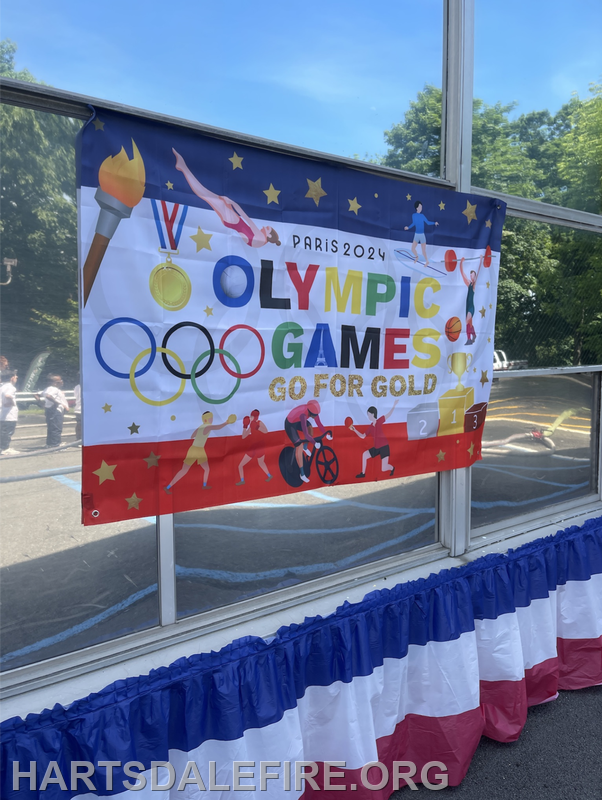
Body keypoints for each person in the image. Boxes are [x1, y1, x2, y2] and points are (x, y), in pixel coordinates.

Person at [173, 149, 281, 248]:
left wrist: (232, 203)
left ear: (269, 235)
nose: (264, 227)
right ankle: (183, 167)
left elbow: (246, 218)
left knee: (204, 193)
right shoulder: (261, 242)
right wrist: (231, 205)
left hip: (234, 220)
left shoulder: (261, 238)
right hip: (232, 220)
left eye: (267, 228)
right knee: (204, 194)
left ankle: (183, 167)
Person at [165, 411, 235, 493]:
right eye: (210, 418)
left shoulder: (200, 427)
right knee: (184, 470)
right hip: (195, 450)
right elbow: (217, 427)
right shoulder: (207, 427)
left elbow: (192, 436)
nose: (212, 419)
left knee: (206, 468)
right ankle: (168, 486)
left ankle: (204, 485)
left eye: (212, 418)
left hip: (199, 450)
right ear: (206, 420)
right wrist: (226, 422)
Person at [285, 399, 331, 484]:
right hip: (290, 424)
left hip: (297, 420)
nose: (314, 417)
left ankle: (305, 448)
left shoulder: (313, 411)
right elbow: (306, 434)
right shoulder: (303, 414)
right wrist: (314, 443)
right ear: (310, 412)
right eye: (313, 415)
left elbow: (319, 424)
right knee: (299, 446)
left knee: (310, 428)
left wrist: (326, 434)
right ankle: (302, 474)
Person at [351, 400, 398, 478]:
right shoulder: (370, 427)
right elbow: (363, 436)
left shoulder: (379, 421)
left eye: (369, 415)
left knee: (384, 468)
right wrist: (354, 429)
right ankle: (363, 473)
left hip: (384, 447)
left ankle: (392, 468)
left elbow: (389, 414)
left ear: (373, 414)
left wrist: (394, 405)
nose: (368, 416)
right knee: (364, 455)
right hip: (376, 447)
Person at [236, 409, 272, 485]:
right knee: (240, 465)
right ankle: (242, 480)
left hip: (260, 445)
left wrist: (257, 427)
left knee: (261, 463)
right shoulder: (251, 425)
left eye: (252, 416)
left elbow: (266, 431)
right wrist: (245, 426)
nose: (250, 418)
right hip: (253, 446)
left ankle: (269, 475)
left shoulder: (259, 423)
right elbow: (243, 436)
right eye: (251, 416)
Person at [35, 374, 69, 448]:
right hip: (55, 410)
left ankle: (50, 443)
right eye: (60, 381)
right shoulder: (54, 389)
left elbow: (36, 394)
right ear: (55, 383)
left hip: (49, 409)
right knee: (56, 427)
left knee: (51, 427)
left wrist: (41, 404)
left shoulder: (47, 389)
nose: (62, 382)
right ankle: (56, 444)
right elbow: (48, 396)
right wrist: (57, 403)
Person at [404, 200, 439, 266]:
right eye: (420, 207)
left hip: (422, 235)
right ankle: (417, 257)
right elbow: (413, 223)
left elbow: (428, 222)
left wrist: (434, 223)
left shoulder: (422, 215)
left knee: (423, 251)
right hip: (416, 235)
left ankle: (427, 261)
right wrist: (408, 227)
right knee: (413, 249)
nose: (421, 208)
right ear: (417, 208)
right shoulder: (413, 215)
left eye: (421, 207)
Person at [459, 254, 484, 345]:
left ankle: (469, 339)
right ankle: (474, 335)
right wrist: (461, 263)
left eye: (473, 275)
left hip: (471, 307)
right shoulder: (469, 284)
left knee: (467, 321)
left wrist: (480, 260)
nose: (471, 277)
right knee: (469, 324)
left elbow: (479, 270)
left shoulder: (473, 285)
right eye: (471, 275)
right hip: (467, 307)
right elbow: (462, 274)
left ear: (475, 276)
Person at [0, 369, 20, 455]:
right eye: (15, 376)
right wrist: (11, 402)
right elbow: (8, 395)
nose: (17, 377)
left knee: (3, 431)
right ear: (12, 378)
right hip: (9, 414)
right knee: (8, 432)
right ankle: (5, 448)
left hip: (2, 414)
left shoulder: (2, 386)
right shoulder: (11, 387)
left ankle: (3, 447)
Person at [73, 378, 82, 445]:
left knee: (79, 424)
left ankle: (78, 439)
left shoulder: (77, 387)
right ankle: (79, 439)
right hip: (83, 408)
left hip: (78, 408)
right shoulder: (88, 385)